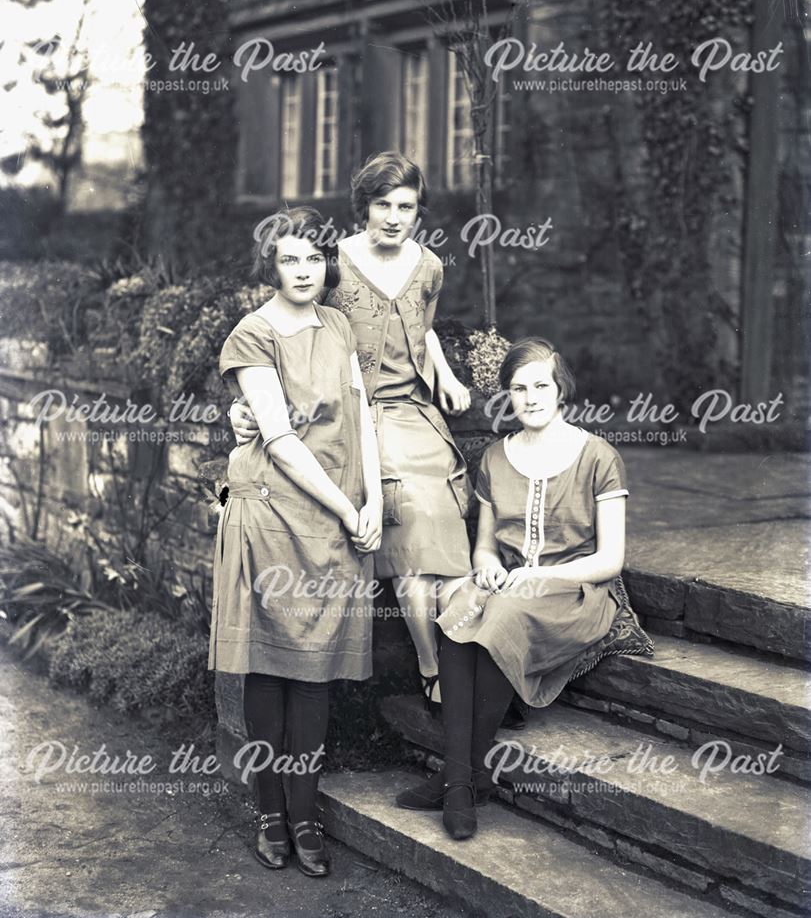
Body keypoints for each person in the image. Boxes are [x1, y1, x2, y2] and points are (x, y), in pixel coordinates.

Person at [230, 152, 473, 715]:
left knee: (448, 518)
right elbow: (286, 336)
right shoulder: (328, 262)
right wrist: (243, 410)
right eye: (382, 204)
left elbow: (424, 328)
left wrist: (448, 377)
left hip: (415, 413)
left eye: (406, 207)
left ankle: (466, 665)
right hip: (357, 418)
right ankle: (433, 667)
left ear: (419, 211)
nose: (393, 217)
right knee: (408, 515)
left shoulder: (430, 266)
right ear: (363, 206)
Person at [396, 336, 652, 839]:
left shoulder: (597, 455)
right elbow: (486, 548)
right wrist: (486, 564)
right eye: (519, 387)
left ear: (561, 390)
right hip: (510, 585)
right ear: (508, 395)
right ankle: (466, 781)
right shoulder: (495, 457)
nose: (531, 397)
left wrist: (541, 575)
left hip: (573, 589)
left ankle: (455, 780)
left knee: (503, 615)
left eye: (541, 385)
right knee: (460, 605)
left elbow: (610, 559)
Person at [209, 206, 382, 877]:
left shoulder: (338, 324)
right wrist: (346, 506)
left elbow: (363, 412)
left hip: (336, 514)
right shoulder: (252, 335)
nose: (304, 270)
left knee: (315, 672)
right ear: (269, 267)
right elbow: (277, 439)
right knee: (268, 666)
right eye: (289, 260)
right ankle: (271, 814)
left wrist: (371, 499)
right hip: (275, 509)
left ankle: (306, 814)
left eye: (313, 258)